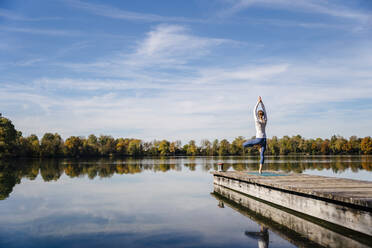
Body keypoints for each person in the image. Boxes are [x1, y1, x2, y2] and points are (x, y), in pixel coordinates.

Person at [243, 96, 267, 174]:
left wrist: (258, 102)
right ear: (263, 115)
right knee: (262, 155)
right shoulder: (265, 120)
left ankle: (256, 146)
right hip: (264, 139)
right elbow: (265, 110)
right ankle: (260, 170)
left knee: (244, 144)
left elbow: (254, 110)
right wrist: (261, 102)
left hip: (259, 139)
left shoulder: (257, 120)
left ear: (258, 115)